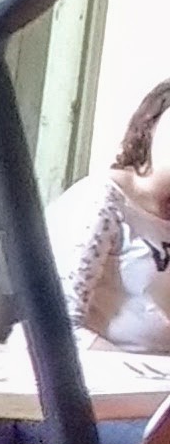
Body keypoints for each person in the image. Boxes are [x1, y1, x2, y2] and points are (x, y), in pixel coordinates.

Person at [59, 77, 170, 360]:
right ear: (151, 126)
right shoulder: (104, 199)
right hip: (104, 375)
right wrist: (135, 373)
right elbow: (57, 326)